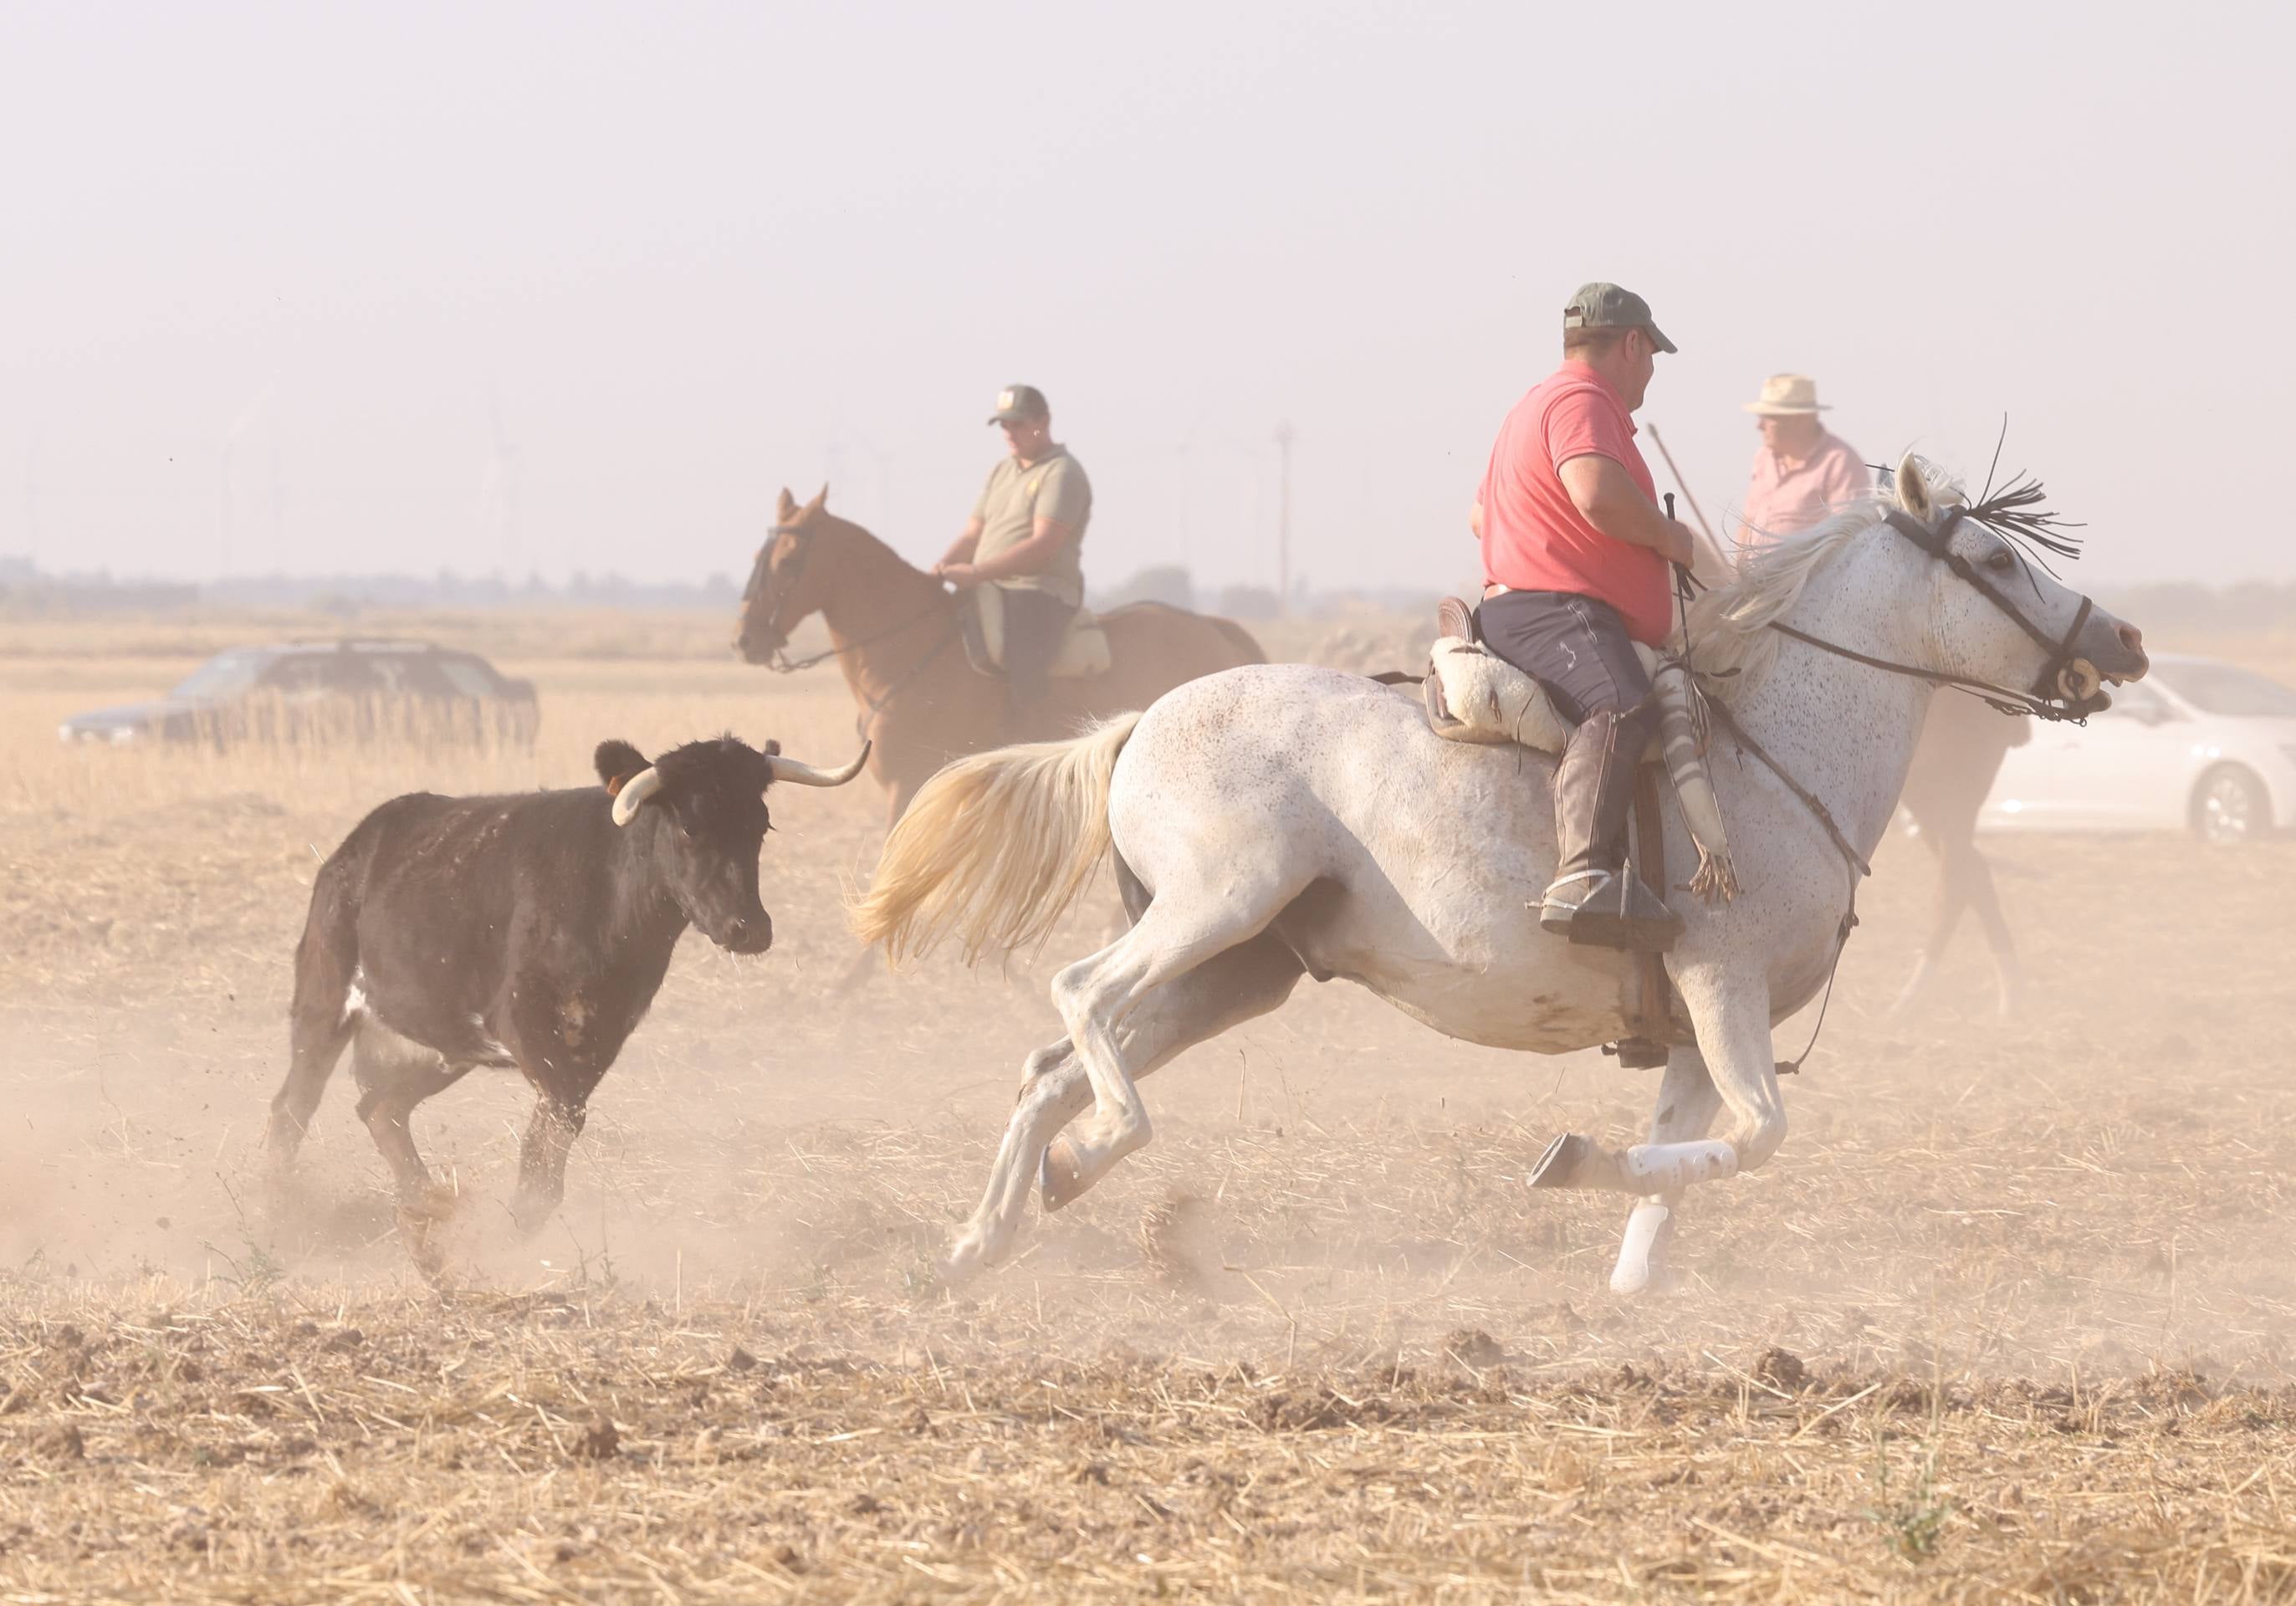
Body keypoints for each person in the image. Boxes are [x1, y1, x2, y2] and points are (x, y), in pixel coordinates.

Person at [1469, 283, 1698, 951]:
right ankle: (1580, 874)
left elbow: (1479, 515)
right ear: (1632, 344)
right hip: (1554, 610)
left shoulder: (1532, 405)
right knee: (1623, 703)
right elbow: (1595, 492)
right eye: (1651, 355)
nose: (1651, 373)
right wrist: (1666, 539)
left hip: (1527, 604)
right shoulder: (1582, 401)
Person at [934, 385, 1092, 716]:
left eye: (1017, 424)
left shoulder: (1061, 472)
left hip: (1038, 590)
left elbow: (1044, 544)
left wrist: (976, 573)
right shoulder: (1002, 470)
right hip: (989, 586)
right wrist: (940, 569)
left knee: (1023, 659)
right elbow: (972, 534)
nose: (1009, 433)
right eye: (1004, 426)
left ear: (1043, 422)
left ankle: (1035, 734)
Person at [1735, 374, 1869, 554]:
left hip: (1810, 580)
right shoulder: (1764, 458)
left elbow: (1847, 538)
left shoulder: (1840, 462)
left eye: (1769, 418)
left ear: (1798, 419)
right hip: (1754, 577)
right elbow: (1748, 520)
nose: (1759, 426)